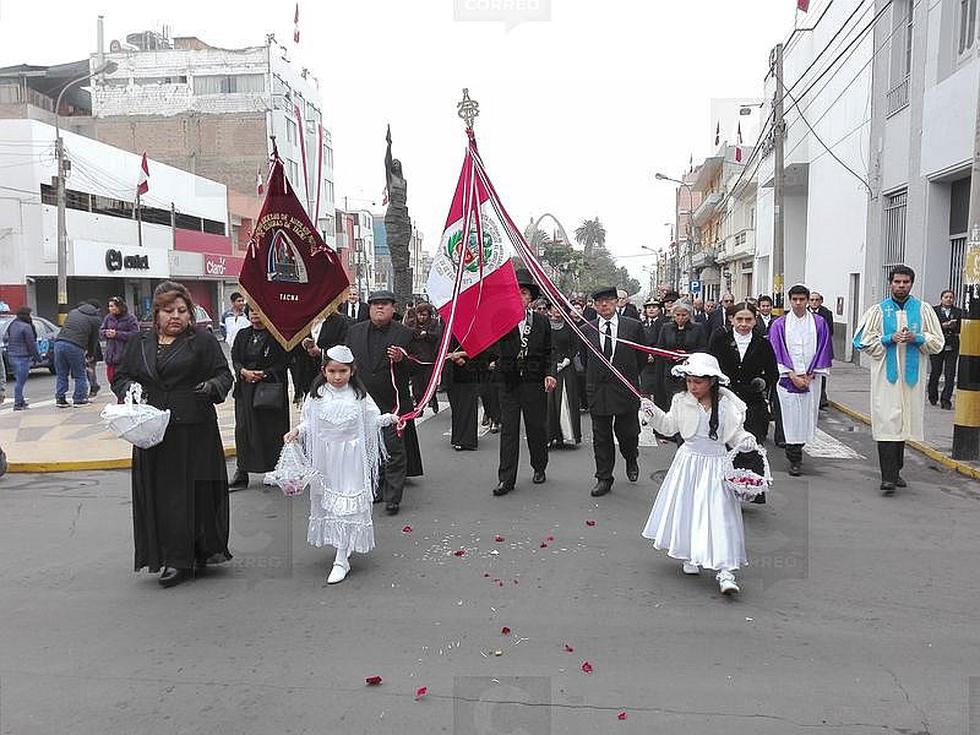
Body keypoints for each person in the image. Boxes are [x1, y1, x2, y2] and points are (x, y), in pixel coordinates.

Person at [111, 282, 233, 588]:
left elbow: (223, 375)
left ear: (190, 314)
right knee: (161, 496)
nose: (175, 316)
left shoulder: (202, 341)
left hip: (194, 430)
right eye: (168, 311)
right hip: (152, 433)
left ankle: (189, 556)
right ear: (156, 314)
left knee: (191, 495)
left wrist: (211, 388)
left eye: (182, 311)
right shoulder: (140, 342)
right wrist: (129, 390)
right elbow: (121, 377)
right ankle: (167, 554)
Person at [639, 353, 759, 595]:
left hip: (716, 464)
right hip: (688, 463)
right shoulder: (681, 401)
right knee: (688, 508)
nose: (693, 386)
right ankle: (691, 553)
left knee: (720, 514)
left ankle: (726, 571)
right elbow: (669, 427)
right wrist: (652, 413)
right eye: (689, 381)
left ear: (712, 381)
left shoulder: (726, 405)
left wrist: (746, 440)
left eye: (699, 382)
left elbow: (736, 432)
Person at [284, 345, 398, 584]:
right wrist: (296, 431)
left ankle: (341, 558)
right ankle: (341, 549)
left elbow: (372, 419)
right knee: (331, 504)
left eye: (343, 371)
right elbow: (309, 423)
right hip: (326, 459)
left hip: (351, 458)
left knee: (347, 504)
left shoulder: (359, 396)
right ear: (323, 370)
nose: (337, 376)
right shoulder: (316, 396)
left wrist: (390, 418)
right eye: (332, 371)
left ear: (352, 371)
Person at [853, 265, 944, 495]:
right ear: (890, 283)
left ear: (911, 284)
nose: (901, 285)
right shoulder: (878, 311)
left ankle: (896, 470)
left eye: (905, 282)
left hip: (912, 378)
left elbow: (937, 341)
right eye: (897, 282)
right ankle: (888, 477)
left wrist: (917, 337)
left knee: (903, 421)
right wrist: (888, 338)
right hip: (886, 377)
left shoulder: (923, 310)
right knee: (886, 422)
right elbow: (861, 340)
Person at [346, 289, 423, 515]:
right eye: (375, 304)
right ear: (368, 308)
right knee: (369, 449)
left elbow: (420, 364)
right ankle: (375, 488)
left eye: (385, 304)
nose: (379, 308)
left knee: (393, 450)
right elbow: (344, 362)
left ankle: (393, 497)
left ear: (393, 308)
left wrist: (402, 359)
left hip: (393, 403)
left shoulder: (405, 334)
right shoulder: (354, 332)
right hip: (362, 401)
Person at [487, 272, 557, 496]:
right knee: (509, 430)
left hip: (534, 381)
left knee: (536, 427)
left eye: (524, 293)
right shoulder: (500, 319)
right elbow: (491, 346)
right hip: (508, 382)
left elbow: (549, 351)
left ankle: (539, 466)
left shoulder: (542, 321)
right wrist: (495, 360)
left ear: (530, 298)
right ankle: (506, 479)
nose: (519, 296)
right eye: (515, 292)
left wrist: (550, 373)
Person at [709, 302, 778, 503]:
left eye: (748, 320)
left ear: (755, 321)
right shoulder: (720, 341)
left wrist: (762, 382)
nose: (743, 324)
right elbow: (711, 368)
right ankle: (723, 492)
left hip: (752, 404)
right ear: (732, 320)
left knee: (749, 446)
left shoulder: (763, 344)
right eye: (739, 319)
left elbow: (773, 372)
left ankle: (747, 490)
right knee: (725, 447)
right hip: (724, 401)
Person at [582, 286, 647, 497]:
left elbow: (641, 359)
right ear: (594, 305)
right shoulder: (587, 329)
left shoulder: (633, 327)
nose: (604, 305)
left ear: (617, 302)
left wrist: (627, 375)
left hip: (625, 389)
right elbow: (585, 360)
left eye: (609, 300)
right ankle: (603, 477)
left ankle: (631, 459)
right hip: (598, 390)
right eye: (599, 302)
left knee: (627, 434)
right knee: (601, 437)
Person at [767, 284, 833, 476]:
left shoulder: (819, 323)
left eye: (802, 299)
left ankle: (799, 447)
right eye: (794, 299)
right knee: (790, 417)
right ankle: (793, 457)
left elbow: (824, 348)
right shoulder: (780, 324)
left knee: (805, 415)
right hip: (787, 378)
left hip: (811, 379)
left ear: (807, 301)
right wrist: (791, 374)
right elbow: (776, 350)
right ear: (790, 300)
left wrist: (811, 374)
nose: (798, 303)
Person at [229, 309, 291, 490]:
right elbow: (235, 358)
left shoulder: (277, 335)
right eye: (252, 311)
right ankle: (242, 472)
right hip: (246, 388)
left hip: (269, 389)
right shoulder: (243, 334)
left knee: (271, 430)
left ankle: (275, 469)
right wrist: (243, 371)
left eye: (259, 311)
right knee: (243, 430)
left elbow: (284, 362)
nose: (255, 315)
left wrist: (264, 373)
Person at [652, 301, 707, 411]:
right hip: (669, 370)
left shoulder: (698, 328)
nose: (680, 318)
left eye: (684, 315)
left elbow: (703, 348)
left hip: (690, 371)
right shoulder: (666, 328)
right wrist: (671, 356)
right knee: (671, 401)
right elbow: (660, 348)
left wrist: (687, 355)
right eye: (677, 315)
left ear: (689, 315)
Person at [546, 301, 582, 447]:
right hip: (548, 367)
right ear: (549, 310)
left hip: (566, 368)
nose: (557, 311)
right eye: (554, 308)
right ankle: (549, 436)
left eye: (560, 308)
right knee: (548, 402)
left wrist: (567, 359)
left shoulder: (570, 326)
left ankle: (567, 435)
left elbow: (575, 346)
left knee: (566, 400)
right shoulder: (544, 325)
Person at [54, 301, 101, 408]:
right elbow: (93, 339)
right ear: (96, 310)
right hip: (75, 346)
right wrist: (91, 353)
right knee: (80, 374)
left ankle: (60, 399)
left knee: (62, 373)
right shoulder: (95, 320)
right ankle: (79, 399)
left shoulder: (73, 312)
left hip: (59, 342)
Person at [445, 338, 486, 451]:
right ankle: (457, 437)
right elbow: (441, 347)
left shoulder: (473, 328)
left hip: (469, 370)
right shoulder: (448, 328)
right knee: (456, 407)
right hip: (451, 371)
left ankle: (467, 440)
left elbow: (481, 349)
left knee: (468, 405)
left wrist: (461, 354)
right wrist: (452, 357)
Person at [928, 289, 961, 410]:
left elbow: (962, 327)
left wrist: (954, 326)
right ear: (941, 299)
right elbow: (930, 326)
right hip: (937, 344)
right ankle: (932, 395)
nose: (949, 299)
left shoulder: (958, 312)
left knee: (950, 373)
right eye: (946, 297)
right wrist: (943, 325)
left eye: (951, 297)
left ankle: (946, 400)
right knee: (936, 371)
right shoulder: (934, 311)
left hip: (952, 345)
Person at [408, 303, 442, 415]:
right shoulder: (411, 323)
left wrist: (427, 335)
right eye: (419, 315)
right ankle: (419, 407)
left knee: (429, 384)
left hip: (429, 359)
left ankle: (433, 399)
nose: (421, 317)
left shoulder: (434, 324)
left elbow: (437, 336)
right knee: (417, 387)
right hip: (415, 359)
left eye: (424, 315)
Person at [100, 296, 140, 390]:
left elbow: (135, 335)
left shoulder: (130, 318)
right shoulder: (108, 318)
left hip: (124, 357)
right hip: (111, 357)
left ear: (120, 306)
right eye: (110, 306)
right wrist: (106, 333)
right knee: (112, 381)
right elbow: (101, 331)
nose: (111, 308)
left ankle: (122, 401)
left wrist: (117, 334)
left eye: (113, 306)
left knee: (123, 384)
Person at [7, 306, 40, 411]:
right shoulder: (26, 327)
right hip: (22, 356)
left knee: (18, 379)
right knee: (20, 381)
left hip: (12, 355)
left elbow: (6, 338)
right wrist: (37, 357)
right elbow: (31, 344)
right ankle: (18, 403)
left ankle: (20, 400)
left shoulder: (12, 325)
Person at [808, 291, 835, 408]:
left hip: (821, 346)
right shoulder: (804, 312)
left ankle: (822, 397)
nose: (814, 302)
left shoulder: (826, 313)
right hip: (808, 346)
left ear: (821, 301)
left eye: (816, 300)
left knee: (821, 372)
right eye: (812, 300)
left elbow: (830, 331)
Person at [639, 300, 662, 395]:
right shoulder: (641, 324)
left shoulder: (663, 323)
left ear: (659, 310)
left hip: (658, 360)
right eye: (649, 307)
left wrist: (653, 355)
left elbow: (662, 342)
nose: (651, 310)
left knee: (658, 390)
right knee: (645, 390)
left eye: (654, 307)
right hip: (645, 361)